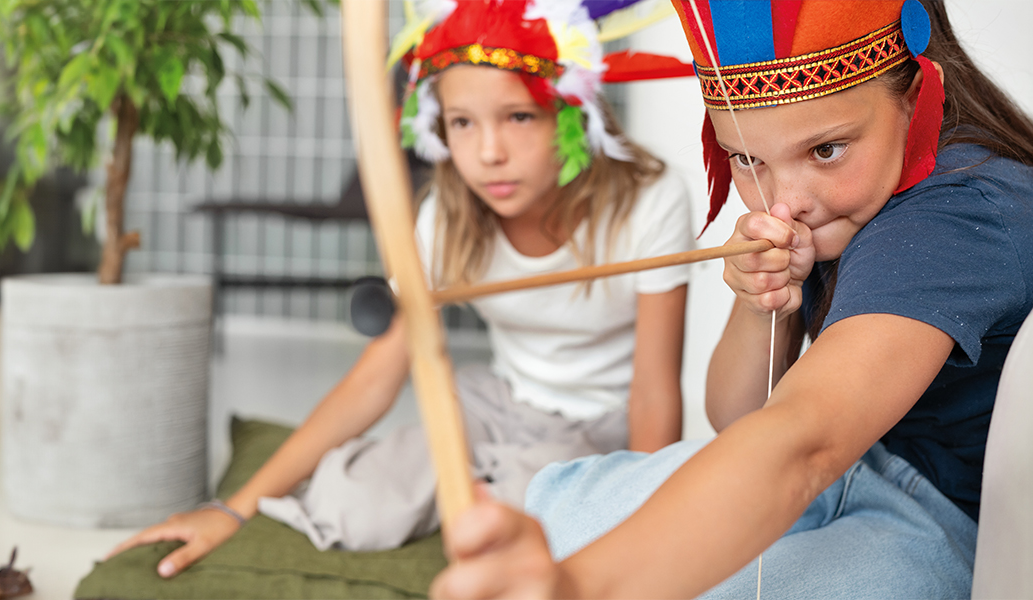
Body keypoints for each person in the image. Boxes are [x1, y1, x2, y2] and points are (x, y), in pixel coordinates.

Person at [430, 1, 1033, 598]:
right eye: (748, 159)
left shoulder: (953, 220)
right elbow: (738, 416)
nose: (783, 202)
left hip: (963, 526)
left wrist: (582, 588)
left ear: (914, 98)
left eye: (825, 150)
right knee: (558, 510)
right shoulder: (842, 204)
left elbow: (804, 442)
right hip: (863, 466)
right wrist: (762, 300)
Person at [108, 0, 695, 579]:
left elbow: (652, 391)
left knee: (531, 537)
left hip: (604, 425)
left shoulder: (649, 201)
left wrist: (634, 517)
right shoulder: (445, 215)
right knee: (349, 506)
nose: (489, 153)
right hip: (495, 401)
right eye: (463, 123)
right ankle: (485, 479)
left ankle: (498, 487)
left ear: (573, 111)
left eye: (519, 116)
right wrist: (229, 508)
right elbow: (380, 370)